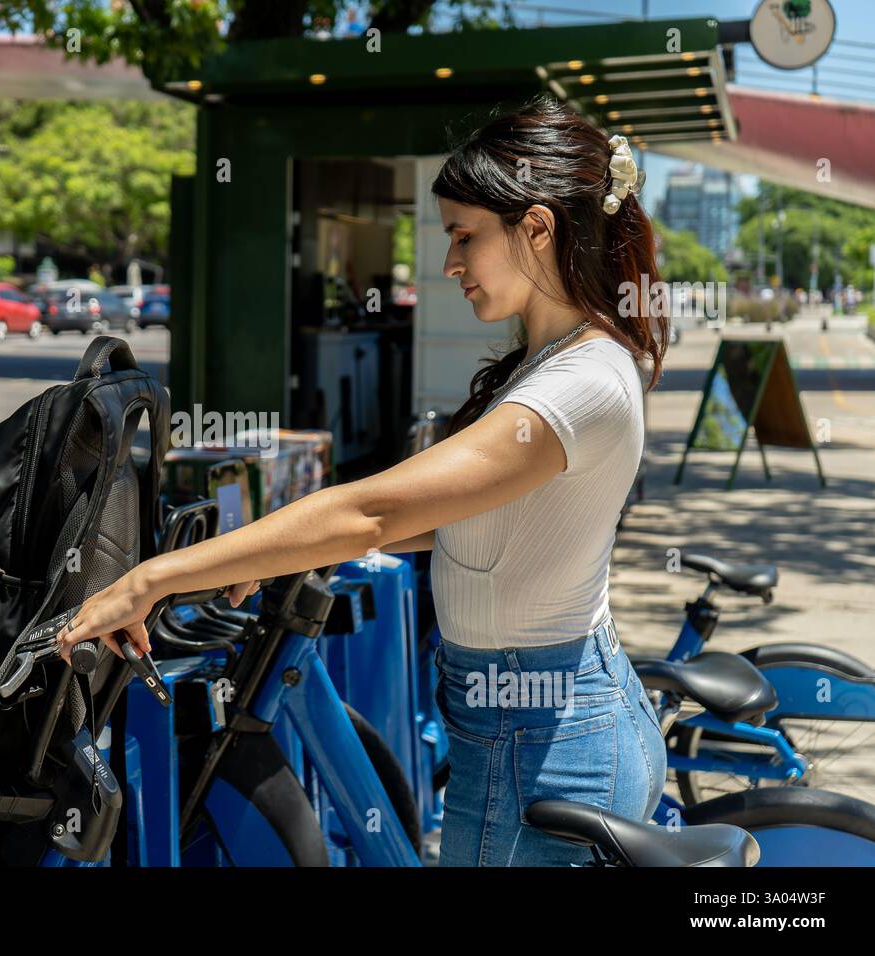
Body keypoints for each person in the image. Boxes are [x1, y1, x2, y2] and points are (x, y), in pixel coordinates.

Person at [57, 96, 670, 866]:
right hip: (531, 723)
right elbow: (463, 526)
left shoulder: (580, 383)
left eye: (463, 237)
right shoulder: (555, 364)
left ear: (538, 229)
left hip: (544, 742)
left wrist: (153, 578)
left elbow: (374, 512)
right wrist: (270, 554)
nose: (449, 265)